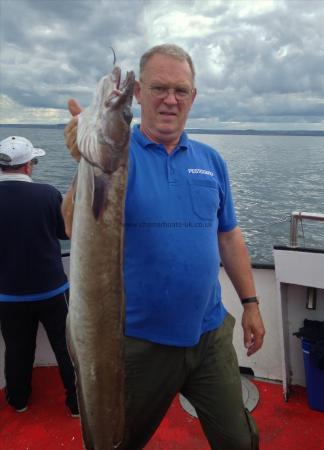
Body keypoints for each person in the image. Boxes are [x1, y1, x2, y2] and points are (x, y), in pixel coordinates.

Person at [63, 44, 265, 449]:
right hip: (137, 345)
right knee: (114, 440)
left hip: (209, 335)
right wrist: (83, 163)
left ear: (193, 96)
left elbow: (228, 234)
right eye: (158, 88)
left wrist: (251, 302)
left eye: (181, 90)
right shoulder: (116, 155)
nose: (170, 99)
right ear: (138, 95)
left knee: (239, 442)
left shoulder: (211, 160)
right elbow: (72, 225)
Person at [0, 136, 78, 417]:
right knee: (67, 347)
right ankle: (76, 405)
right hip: (52, 291)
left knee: (17, 349)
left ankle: (18, 400)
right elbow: (63, 232)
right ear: (29, 166)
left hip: (7, 294)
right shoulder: (48, 194)